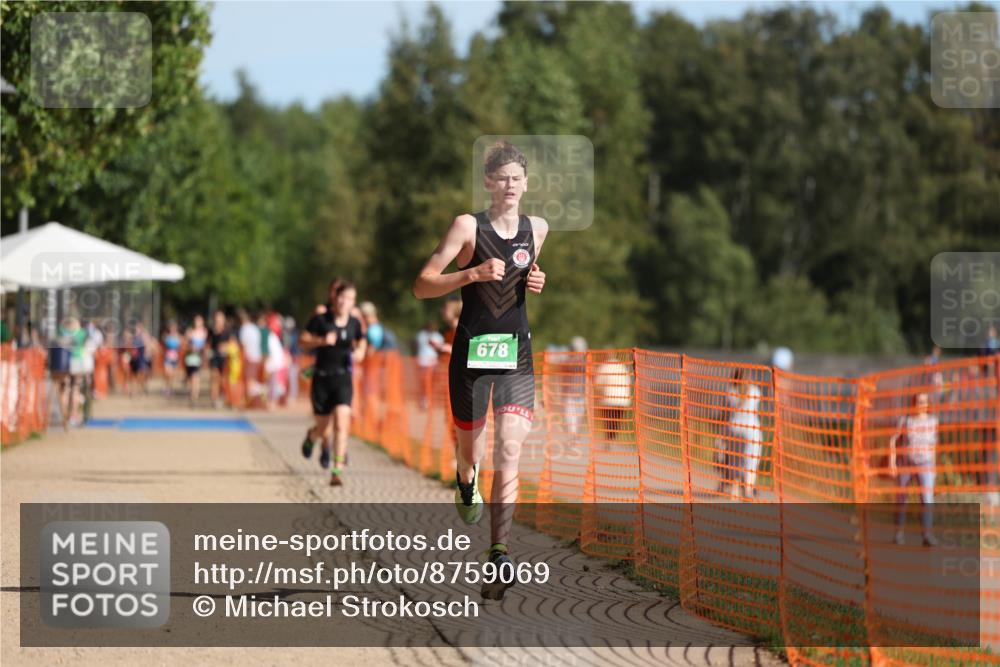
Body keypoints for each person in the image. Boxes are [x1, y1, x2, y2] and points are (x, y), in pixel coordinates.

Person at [412, 140, 548, 600]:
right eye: (501, 178)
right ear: (488, 183)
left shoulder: (539, 228)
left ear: (526, 184)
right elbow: (422, 285)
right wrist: (469, 274)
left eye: (516, 178)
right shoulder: (467, 227)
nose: (509, 185)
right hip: (471, 353)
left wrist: (537, 279)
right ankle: (463, 479)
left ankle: (499, 553)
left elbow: (523, 278)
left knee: (509, 450)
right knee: (472, 452)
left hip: (517, 355)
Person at [299, 281, 367, 486]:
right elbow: (302, 341)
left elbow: (361, 340)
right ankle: (312, 436)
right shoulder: (321, 320)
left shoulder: (354, 323)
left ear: (353, 302)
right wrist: (320, 341)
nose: (343, 301)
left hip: (342, 379)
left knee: (341, 422)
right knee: (324, 429)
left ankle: (337, 470)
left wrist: (361, 352)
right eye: (340, 297)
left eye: (348, 298)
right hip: (321, 379)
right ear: (334, 298)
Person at [889, 392, 938, 546]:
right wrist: (892, 461)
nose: (921, 404)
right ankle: (898, 534)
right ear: (914, 403)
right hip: (906, 463)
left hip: (926, 464)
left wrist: (934, 468)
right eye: (918, 401)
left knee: (927, 499)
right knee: (902, 499)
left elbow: (933, 445)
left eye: (924, 401)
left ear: (927, 404)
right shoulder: (906, 420)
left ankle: (927, 536)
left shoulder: (933, 421)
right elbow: (893, 439)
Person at [414, 321, 444, 410]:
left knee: (431, 383)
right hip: (423, 362)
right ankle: (424, 400)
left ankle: (428, 400)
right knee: (424, 383)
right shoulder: (421, 335)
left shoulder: (437, 336)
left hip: (433, 363)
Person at [207, 311, 232, 409]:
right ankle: (214, 399)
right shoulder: (211, 331)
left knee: (222, 379)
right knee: (214, 377)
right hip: (214, 356)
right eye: (217, 318)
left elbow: (232, 343)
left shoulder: (227, 331)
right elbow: (208, 343)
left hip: (224, 357)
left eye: (220, 318)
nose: (218, 320)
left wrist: (226, 347)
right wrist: (207, 351)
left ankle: (222, 396)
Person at [238, 309, 263, 404]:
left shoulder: (244, 329)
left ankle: (251, 400)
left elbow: (243, 345)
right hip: (257, 357)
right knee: (253, 379)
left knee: (249, 380)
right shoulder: (255, 328)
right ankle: (253, 400)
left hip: (249, 357)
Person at [184, 315, 208, 407]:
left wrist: (200, 350)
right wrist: (190, 347)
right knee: (191, 378)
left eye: (199, 321)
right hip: (190, 358)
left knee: (196, 378)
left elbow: (206, 346)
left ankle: (194, 398)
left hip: (198, 358)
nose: (197, 323)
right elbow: (185, 345)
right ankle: (192, 395)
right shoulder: (190, 332)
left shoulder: (204, 332)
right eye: (196, 321)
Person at [162, 321, 182, 396]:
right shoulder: (166, 336)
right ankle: (166, 386)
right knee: (168, 373)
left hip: (175, 358)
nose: (173, 329)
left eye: (174, 328)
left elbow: (180, 347)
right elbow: (164, 346)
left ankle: (169, 388)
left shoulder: (178, 337)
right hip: (167, 357)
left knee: (172, 375)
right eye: (171, 327)